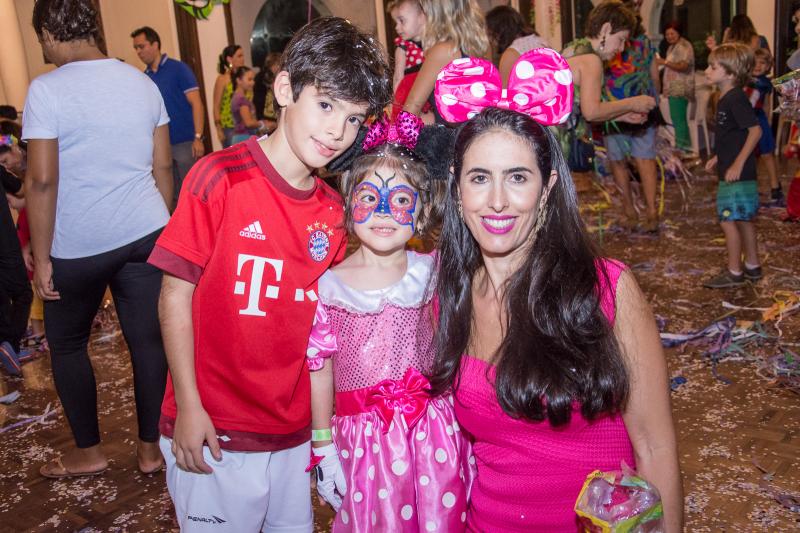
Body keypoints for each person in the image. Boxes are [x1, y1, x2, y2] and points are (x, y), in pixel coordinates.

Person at [147, 17, 391, 532]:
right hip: (216, 426)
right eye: (326, 105)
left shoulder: (332, 211)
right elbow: (174, 295)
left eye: (354, 119)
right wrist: (188, 406)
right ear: (284, 90)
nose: (337, 131)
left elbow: (325, 331)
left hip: (291, 432)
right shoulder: (219, 179)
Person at [430, 103, 683, 531]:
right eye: (479, 178)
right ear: (457, 189)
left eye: (517, 177)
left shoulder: (605, 291)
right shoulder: (446, 295)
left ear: (547, 188)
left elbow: (655, 448)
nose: (497, 201)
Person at [24, 0, 173, 478]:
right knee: (149, 341)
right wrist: (164, 231)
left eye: (40, 38)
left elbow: (41, 181)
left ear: (50, 33)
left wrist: (42, 258)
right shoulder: (141, 82)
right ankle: (150, 451)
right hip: (145, 230)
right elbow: (163, 165)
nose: (43, 48)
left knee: (68, 343)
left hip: (79, 242)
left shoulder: (46, 90)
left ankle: (88, 452)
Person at [306, 114, 473, 531]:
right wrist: (322, 444)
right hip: (364, 445)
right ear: (348, 203)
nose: (383, 212)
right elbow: (320, 368)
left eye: (400, 200)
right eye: (369, 197)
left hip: (434, 437)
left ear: (422, 212)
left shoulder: (432, 273)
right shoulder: (327, 287)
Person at [559, 1, 656, 172]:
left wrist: (621, 116)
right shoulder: (591, 60)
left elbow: (579, 110)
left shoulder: (573, 49)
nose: (621, 48)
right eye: (621, 39)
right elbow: (591, 112)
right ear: (606, 29)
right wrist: (633, 103)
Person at [703, 43, 763, 289]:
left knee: (727, 221)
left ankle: (734, 272)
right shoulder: (728, 98)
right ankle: (753, 265)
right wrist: (719, 156)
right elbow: (734, 135)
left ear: (729, 73)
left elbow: (755, 131)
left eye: (712, 67)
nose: (707, 70)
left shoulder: (735, 99)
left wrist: (737, 163)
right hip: (738, 172)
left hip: (737, 175)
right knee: (744, 220)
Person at [602, 0, 661, 233]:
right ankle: (650, 213)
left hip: (615, 107)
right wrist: (654, 100)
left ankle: (631, 212)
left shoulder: (609, 44)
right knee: (644, 160)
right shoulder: (645, 42)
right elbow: (654, 76)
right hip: (633, 107)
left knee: (620, 162)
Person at [132, 26, 205, 209]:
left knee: (191, 194)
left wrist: (198, 137)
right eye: (136, 48)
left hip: (185, 143)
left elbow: (196, 103)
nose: (138, 52)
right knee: (169, 197)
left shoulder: (178, 69)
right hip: (160, 146)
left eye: (141, 46)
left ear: (155, 44)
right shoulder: (144, 77)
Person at [403, 0, 489, 124]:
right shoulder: (479, 47)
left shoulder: (443, 51)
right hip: (477, 132)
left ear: (434, 13)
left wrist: (397, 134)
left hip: (451, 135)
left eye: (422, 9)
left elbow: (412, 107)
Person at [0, 132, 31, 375]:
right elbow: (21, 190)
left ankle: (9, 346)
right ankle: (8, 342)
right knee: (23, 293)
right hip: (5, 244)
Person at [744, 48, 783, 205]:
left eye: (762, 63)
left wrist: (767, 121)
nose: (758, 66)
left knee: (767, 154)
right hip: (745, 121)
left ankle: (775, 187)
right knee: (749, 155)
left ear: (768, 66)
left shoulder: (765, 83)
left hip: (759, 120)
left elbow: (766, 104)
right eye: (755, 62)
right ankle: (750, 185)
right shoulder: (743, 79)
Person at [485, 5, 549, 87]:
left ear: (498, 31)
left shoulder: (511, 54)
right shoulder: (541, 41)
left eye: (490, 34)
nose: (491, 40)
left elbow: (505, 91)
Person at [657, 20, 695, 154]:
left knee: (678, 120)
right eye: (667, 34)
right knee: (678, 119)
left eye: (672, 33)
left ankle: (681, 151)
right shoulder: (672, 47)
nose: (669, 36)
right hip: (673, 85)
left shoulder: (683, 45)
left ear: (678, 33)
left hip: (679, 86)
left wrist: (664, 62)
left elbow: (683, 66)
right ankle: (687, 151)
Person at [388, 0, 427, 120]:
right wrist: (395, 103)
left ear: (422, 18)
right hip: (409, 93)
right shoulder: (403, 46)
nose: (396, 27)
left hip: (428, 91)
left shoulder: (432, 44)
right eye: (396, 22)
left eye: (402, 21)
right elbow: (398, 76)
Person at [213, 44, 245, 148]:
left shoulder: (245, 78)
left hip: (245, 125)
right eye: (239, 56)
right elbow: (216, 106)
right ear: (229, 59)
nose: (243, 59)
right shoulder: (222, 79)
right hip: (229, 126)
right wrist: (219, 129)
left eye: (242, 56)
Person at [230, 66, 267, 144]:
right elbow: (248, 123)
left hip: (242, 137)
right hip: (244, 138)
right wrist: (262, 123)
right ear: (239, 80)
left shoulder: (238, 97)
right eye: (249, 79)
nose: (253, 83)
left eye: (253, 79)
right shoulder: (241, 99)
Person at [253, 51, 281, 131]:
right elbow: (258, 103)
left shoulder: (285, 80)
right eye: (274, 65)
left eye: (278, 65)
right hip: (266, 120)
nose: (277, 68)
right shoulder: (261, 81)